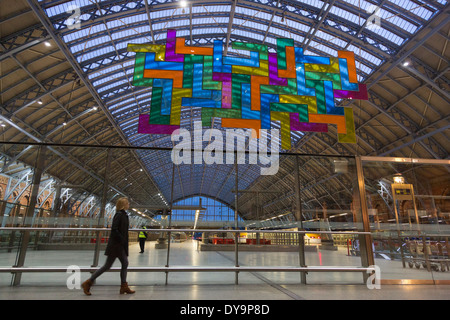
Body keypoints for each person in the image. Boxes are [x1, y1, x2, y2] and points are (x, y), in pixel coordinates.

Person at [81, 197, 135, 295]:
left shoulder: (124, 215)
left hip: (118, 245)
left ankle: (123, 286)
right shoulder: (119, 215)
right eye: (127, 203)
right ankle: (89, 282)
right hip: (116, 245)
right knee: (119, 264)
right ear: (123, 204)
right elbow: (114, 229)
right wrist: (122, 239)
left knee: (112, 265)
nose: (129, 204)